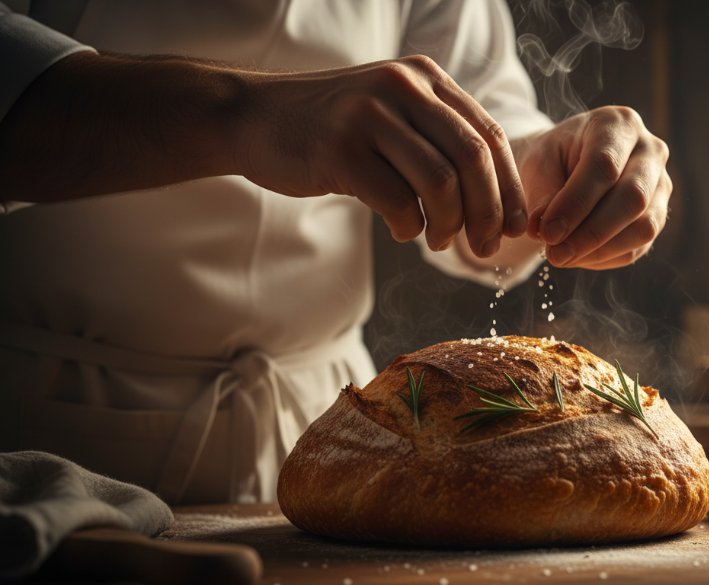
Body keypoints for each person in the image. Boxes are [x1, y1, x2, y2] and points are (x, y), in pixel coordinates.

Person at [0, 0, 671, 504]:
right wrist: (244, 113)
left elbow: (477, 105)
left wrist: (538, 167)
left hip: (334, 435)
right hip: (49, 436)